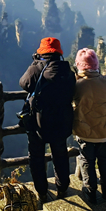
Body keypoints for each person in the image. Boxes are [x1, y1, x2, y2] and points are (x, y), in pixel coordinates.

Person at [20, 38, 76, 202]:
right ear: (59, 53)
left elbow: (23, 83)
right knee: (60, 155)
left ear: (41, 52)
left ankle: (42, 192)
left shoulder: (37, 69)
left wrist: (35, 63)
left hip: (39, 123)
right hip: (62, 121)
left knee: (36, 157)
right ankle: (62, 188)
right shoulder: (68, 72)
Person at [71, 48, 106, 204]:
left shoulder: (77, 85)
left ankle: (90, 193)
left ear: (79, 66)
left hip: (86, 134)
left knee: (87, 161)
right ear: (96, 65)